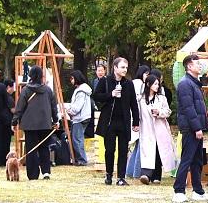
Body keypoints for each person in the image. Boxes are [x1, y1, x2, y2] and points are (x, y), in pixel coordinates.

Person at [93, 57, 140, 186]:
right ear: (115, 68)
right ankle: (108, 174)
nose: (125, 70)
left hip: (124, 121)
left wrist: (136, 122)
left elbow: (134, 104)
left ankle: (121, 177)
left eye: (126, 67)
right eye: (122, 67)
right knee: (109, 150)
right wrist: (111, 94)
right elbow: (96, 96)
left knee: (123, 150)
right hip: (109, 121)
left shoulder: (128, 84)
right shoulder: (105, 81)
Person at [172, 55, 208, 203]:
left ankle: (197, 191)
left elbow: (197, 107)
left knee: (197, 161)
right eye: (197, 63)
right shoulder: (185, 84)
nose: (200, 66)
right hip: (190, 128)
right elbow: (188, 108)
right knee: (187, 159)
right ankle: (178, 191)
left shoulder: (194, 83)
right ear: (189, 66)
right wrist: (197, 127)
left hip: (196, 127)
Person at [11, 65, 59, 180]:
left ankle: (32, 174)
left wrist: (14, 121)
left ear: (30, 75)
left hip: (29, 124)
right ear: (42, 76)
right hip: (45, 123)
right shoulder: (47, 90)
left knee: (31, 149)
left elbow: (20, 107)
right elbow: (53, 107)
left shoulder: (26, 90)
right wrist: (55, 120)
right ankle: (46, 171)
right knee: (44, 147)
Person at [138, 72, 176, 184]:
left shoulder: (161, 98)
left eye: (158, 84)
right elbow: (138, 115)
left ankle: (156, 176)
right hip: (146, 128)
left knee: (159, 150)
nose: (157, 86)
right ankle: (146, 175)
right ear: (148, 84)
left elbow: (168, 111)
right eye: (155, 84)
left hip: (160, 128)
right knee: (147, 151)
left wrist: (159, 112)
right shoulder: (141, 99)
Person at [66, 71, 93, 166]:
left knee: (77, 139)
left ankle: (82, 159)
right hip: (83, 116)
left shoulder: (81, 91)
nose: (71, 80)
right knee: (78, 138)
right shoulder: (83, 89)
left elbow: (77, 107)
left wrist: (69, 111)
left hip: (80, 117)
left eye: (72, 78)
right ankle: (79, 159)